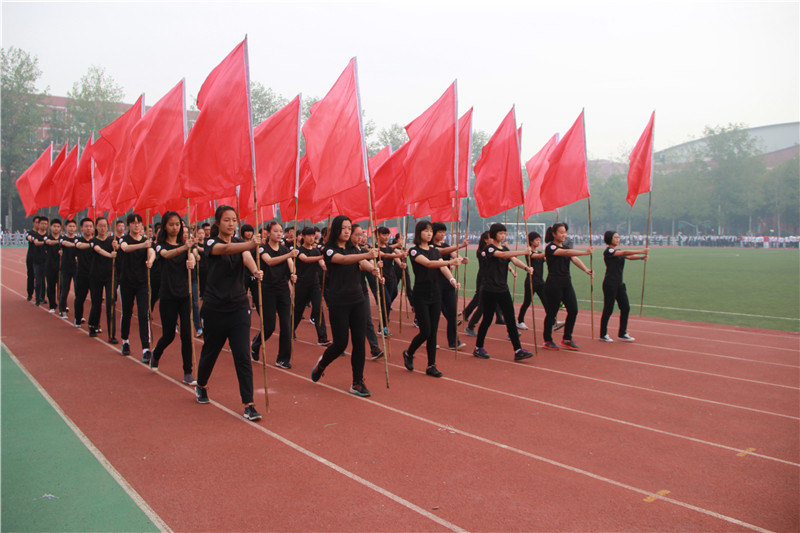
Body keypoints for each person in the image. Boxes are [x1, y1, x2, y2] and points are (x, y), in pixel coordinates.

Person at [195, 205, 264, 422]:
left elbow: (245, 256)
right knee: (211, 351)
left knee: (242, 355)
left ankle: (249, 403)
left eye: (234, 220)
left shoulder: (240, 245)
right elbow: (226, 250)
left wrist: (255, 270)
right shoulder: (210, 243)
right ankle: (201, 384)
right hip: (215, 308)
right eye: (226, 220)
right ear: (218, 223)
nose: (231, 223)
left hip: (238, 308)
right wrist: (251, 244)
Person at [310, 215, 379, 397]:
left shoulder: (353, 248)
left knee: (359, 342)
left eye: (349, 228)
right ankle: (322, 364)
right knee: (341, 344)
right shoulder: (329, 250)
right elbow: (343, 260)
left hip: (358, 300)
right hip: (339, 301)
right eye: (344, 228)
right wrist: (366, 255)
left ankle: (357, 382)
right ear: (336, 230)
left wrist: (372, 268)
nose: (347, 231)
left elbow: (360, 261)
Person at [403, 220, 461, 378]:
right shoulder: (414, 251)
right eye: (426, 231)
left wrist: (452, 280)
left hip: (435, 294)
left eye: (430, 231)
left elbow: (442, 267)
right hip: (421, 294)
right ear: (419, 233)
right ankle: (409, 353)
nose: (429, 233)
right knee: (425, 331)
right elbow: (428, 264)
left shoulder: (435, 250)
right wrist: (451, 261)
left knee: (433, 331)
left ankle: (431, 365)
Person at [472, 223, 534, 362]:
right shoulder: (488, 249)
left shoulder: (505, 247)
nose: (503, 236)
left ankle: (518, 350)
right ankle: (478, 347)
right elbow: (504, 255)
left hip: (503, 289)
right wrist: (523, 252)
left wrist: (526, 267)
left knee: (510, 319)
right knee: (487, 319)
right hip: (489, 290)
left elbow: (513, 259)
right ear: (493, 235)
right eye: (500, 233)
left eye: (504, 233)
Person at [149, 212, 197, 384]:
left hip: (184, 295)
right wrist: (185, 249)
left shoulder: (186, 246)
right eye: (171, 224)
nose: (175, 227)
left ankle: (187, 371)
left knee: (186, 334)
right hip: (168, 295)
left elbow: (192, 257)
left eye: (178, 224)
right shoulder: (159, 246)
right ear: (164, 226)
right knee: (169, 335)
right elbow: (167, 255)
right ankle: (156, 353)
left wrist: (192, 260)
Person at [250, 221, 297, 369]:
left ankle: (282, 358)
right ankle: (255, 344)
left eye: (280, 231)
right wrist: (289, 254)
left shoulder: (284, 249)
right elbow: (269, 262)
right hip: (267, 289)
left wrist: (293, 273)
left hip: (282, 290)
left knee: (286, 325)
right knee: (269, 326)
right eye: (275, 231)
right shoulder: (262, 249)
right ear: (268, 233)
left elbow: (290, 263)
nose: (278, 233)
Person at [542, 222, 593, 351]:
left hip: (566, 283)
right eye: (561, 232)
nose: (564, 235)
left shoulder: (564, 247)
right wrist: (586, 252)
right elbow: (567, 253)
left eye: (565, 232)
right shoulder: (551, 248)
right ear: (554, 234)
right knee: (552, 313)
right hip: (554, 284)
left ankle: (567, 338)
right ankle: (547, 340)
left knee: (573, 310)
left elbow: (573, 258)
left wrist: (586, 269)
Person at [599, 231, 648, 343]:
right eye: (616, 237)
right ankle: (603, 334)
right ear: (609, 239)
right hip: (610, 284)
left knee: (625, 307)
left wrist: (641, 257)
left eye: (619, 237)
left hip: (619, 284)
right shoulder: (609, 251)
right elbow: (625, 252)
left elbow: (629, 256)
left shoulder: (618, 251)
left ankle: (622, 333)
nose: (618, 239)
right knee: (608, 309)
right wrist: (641, 250)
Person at [119, 213, 152, 362]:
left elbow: (151, 252)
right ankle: (125, 340)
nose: (137, 225)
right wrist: (143, 245)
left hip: (142, 283)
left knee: (143, 314)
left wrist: (150, 260)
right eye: (133, 223)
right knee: (127, 312)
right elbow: (125, 248)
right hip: (126, 282)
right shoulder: (124, 239)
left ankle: (146, 348)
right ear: (129, 225)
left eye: (139, 223)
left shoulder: (146, 241)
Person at [516, 231, 565, 331]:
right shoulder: (529, 252)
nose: (539, 242)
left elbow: (546, 258)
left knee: (547, 302)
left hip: (540, 282)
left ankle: (553, 322)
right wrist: (550, 251)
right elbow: (538, 256)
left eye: (539, 240)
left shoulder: (539, 252)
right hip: (531, 281)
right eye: (536, 240)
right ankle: (520, 321)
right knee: (527, 302)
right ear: (531, 241)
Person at [431, 222, 469, 349]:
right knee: (435, 314)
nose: (442, 235)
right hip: (434, 284)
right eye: (440, 232)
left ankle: (453, 341)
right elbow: (444, 251)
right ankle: (431, 340)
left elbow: (453, 254)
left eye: (444, 232)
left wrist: (462, 259)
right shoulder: (431, 247)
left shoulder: (446, 245)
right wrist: (462, 245)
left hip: (448, 283)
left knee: (452, 312)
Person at [352, 224, 385, 360]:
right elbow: (357, 264)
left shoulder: (362, 250)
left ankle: (374, 347)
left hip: (361, 289)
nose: (360, 237)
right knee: (347, 324)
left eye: (362, 235)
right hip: (345, 291)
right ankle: (339, 346)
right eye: (357, 234)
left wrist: (376, 270)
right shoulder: (346, 251)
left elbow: (365, 263)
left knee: (367, 319)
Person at [293, 226, 330, 345]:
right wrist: (322, 257)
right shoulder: (298, 250)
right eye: (308, 235)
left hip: (314, 285)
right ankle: (290, 330)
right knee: (298, 310)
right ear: (303, 236)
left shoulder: (316, 251)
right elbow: (306, 259)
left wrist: (327, 264)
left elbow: (322, 264)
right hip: (301, 285)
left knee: (319, 308)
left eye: (313, 235)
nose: (311, 238)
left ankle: (322, 337)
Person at [464, 231, 503, 336]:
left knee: (499, 300)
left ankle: (503, 321)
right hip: (484, 278)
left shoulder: (492, 249)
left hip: (494, 278)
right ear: (486, 240)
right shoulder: (483, 251)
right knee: (481, 303)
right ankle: (469, 320)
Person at [88, 217, 118, 343]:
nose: (102, 228)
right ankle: (93, 325)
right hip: (96, 276)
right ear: (96, 227)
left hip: (110, 275)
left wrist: (116, 248)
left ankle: (112, 334)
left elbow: (119, 251)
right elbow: (98, 250)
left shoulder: (112, 240)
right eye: (100, 226)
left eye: (105, 226)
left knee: (111, 302)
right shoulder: (93, 241)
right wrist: (110, 254)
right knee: (96, 302)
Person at [376, 226, 406, 336]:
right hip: (381, 278)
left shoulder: (389, 247)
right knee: (387, 302)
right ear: (377, 236)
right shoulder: (375, 249)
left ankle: (384, 319)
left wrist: (400, 263)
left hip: (391, 276)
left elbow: (393, 256)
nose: (386, 237)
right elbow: (386, 255)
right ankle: (383, 326)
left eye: (387, 234)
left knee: (394, 294)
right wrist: (400, 254)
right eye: (383, 234)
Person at [71, 218, 94, 328]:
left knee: (96, 300)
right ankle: (78, 318)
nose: (88, 228)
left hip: (94, 274)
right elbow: (79, 246)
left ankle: (94, 322)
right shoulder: (77, 240)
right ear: (81, 228)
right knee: (80, 297)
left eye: (90, 226)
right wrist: (92, 244)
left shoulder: (96, 241)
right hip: (82, 273)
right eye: (86, 226)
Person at [57, 219, 79, 319]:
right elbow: (65, 244)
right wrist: (76, 245)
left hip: (76, 268)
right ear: (65, 227)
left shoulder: (78, 239)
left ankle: (78, 313)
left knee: (78, 290)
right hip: (65, 267)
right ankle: (62, 309)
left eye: (73, 226)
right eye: (69, 226)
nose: (71, 228)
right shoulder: (62, 238)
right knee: (65, 289)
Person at [42, 218, 62, 313]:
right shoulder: (47, 237)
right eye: (54, 226)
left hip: (60, 265)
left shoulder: (63, 238)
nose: (56, 228)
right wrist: (60, 241)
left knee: (61, 286)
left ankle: (62, 304)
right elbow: (49, 243)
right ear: (51, 227)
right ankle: (52, 305)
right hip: (49, 265)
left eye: (58, 227)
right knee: (51, 286)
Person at [30, 216, 48, 306]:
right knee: (38, 281)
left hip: (47, 261)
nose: (44, 225)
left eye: (45, 224)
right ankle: (37, 299)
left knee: (45, 281)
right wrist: (46, 242)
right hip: (37, 261)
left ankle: (42, 297)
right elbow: (36, 243)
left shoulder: (48, 235)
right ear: (38, 224)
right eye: (42, 224)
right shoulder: (35, 235)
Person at [25, 216, 40, 302]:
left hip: (41, 258)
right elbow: (29, 238)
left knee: (41, 278)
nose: (39, 224)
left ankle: (41, 296)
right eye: (37, 222)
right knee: (31, 276)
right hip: (31, 257)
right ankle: (30, 294)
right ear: (33, 223)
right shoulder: (29, 233)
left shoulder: (44, 234)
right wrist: (36, 239)